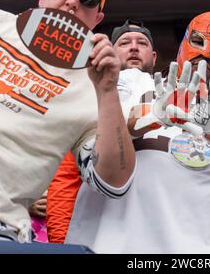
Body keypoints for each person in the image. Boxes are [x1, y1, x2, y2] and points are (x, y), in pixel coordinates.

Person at [0, 0, 135, 242]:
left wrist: (108, 92)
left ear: (97, 18)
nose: (73, 2)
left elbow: (113, 183)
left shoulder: (95, 87)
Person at [65, 11, 210, 253]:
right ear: (183, 43)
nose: (204, 55)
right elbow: (94, 121)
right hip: (118, 245)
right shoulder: (133, 82)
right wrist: (150, 114)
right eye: (197, 42)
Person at [46, 19, 157, 244]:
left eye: (142, 43)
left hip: (157, 235)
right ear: (111, 53)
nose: (134, 47)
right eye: (125, 42)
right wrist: (60, 242)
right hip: (100, 237)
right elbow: (66, 179)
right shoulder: (87, 95)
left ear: (154, 57)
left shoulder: (174, 97)